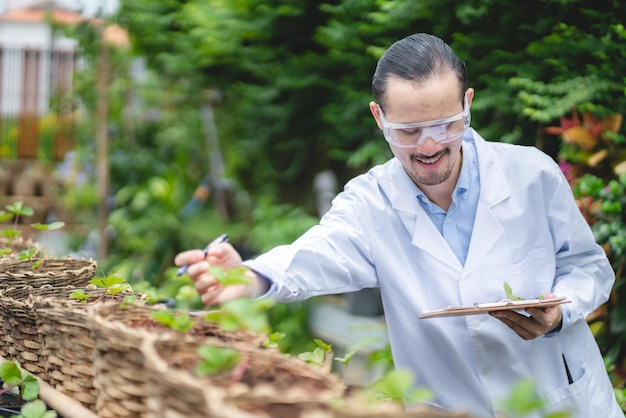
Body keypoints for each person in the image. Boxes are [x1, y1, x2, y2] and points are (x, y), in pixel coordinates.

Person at [175, 33, 623, 418]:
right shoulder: (371, 203)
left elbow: (590, 268)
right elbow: (317, 252)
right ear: (379, 118)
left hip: (563, 401)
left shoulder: (532, 175)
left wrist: (560, 311)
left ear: (467, 106)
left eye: (445, 126)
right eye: (408, 131)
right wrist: (248, 276)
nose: (429, 146)